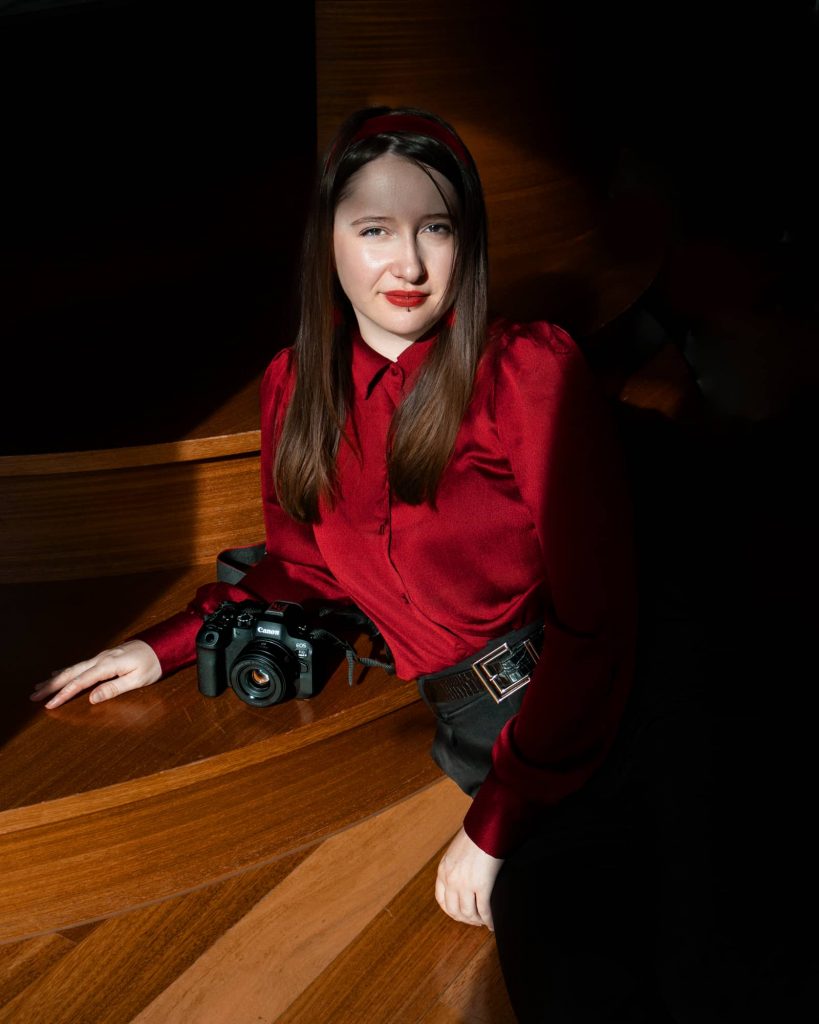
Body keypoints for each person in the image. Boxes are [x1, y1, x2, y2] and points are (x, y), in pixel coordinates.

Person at [30, 106, 747, 1022]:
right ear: (327, 241)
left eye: (434, 229)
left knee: (682, 957)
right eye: (374, 229)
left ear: (466, 243)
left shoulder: (525, 370)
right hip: (479, 724)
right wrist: (167, 643)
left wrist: (495, 822)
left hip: (599, 697)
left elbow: (594, 619)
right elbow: (306, 566)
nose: (406, 264)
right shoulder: (296, 383)